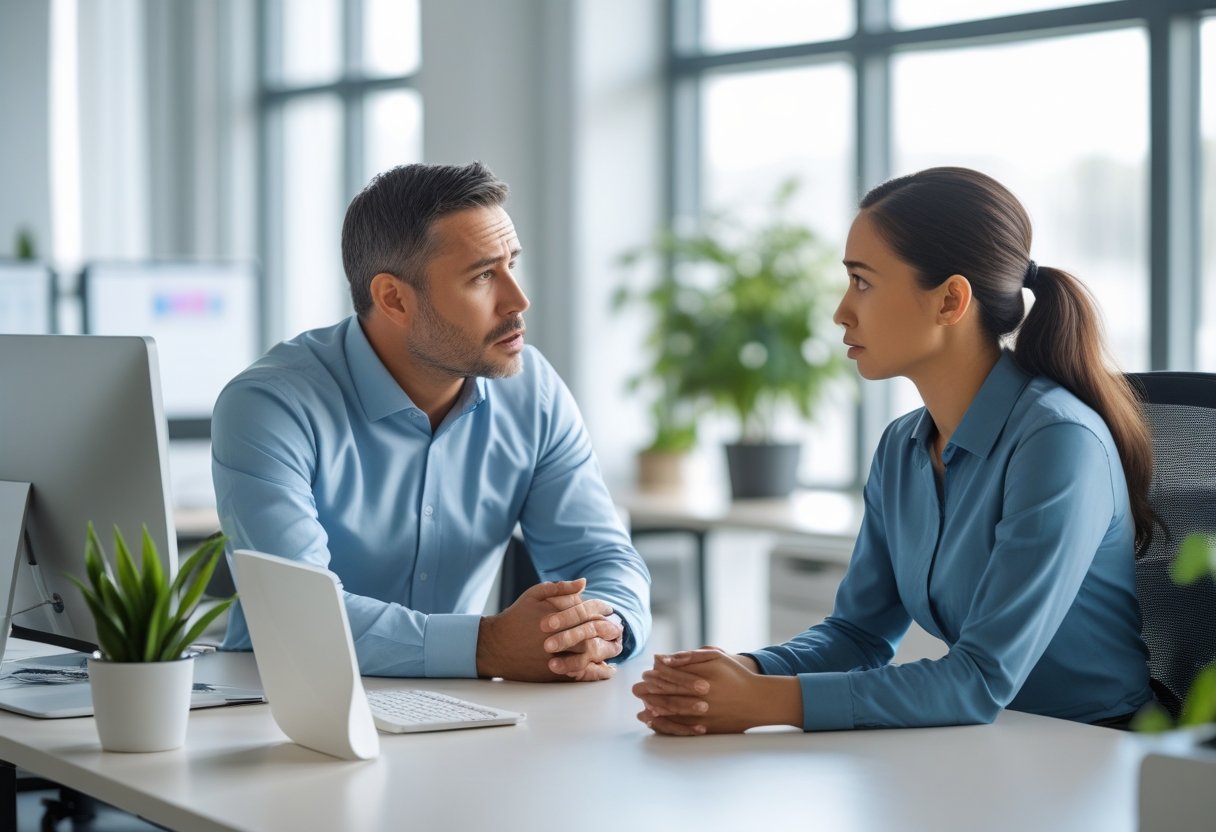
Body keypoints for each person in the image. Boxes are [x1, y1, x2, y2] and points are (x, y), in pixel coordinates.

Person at [633, 166, 1155, 733]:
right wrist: (741, 673)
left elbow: (978, 681)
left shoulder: (1058, 443)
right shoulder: (902, 446)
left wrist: (765, 703)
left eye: (862, 282)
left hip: (1092, 755)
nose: (841, 310)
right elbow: (856, 635)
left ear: (951, 300)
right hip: (983, 745)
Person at [213, 161, 651, 683]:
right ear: (394, 298)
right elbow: (300, 614)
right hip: (283, 703)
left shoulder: (532, 390)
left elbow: (601, 556)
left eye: (512, 264)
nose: (517, 300)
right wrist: (485, 646)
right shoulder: (270, 404)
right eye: (484, 276)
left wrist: (598, 629)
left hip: (459, 706)